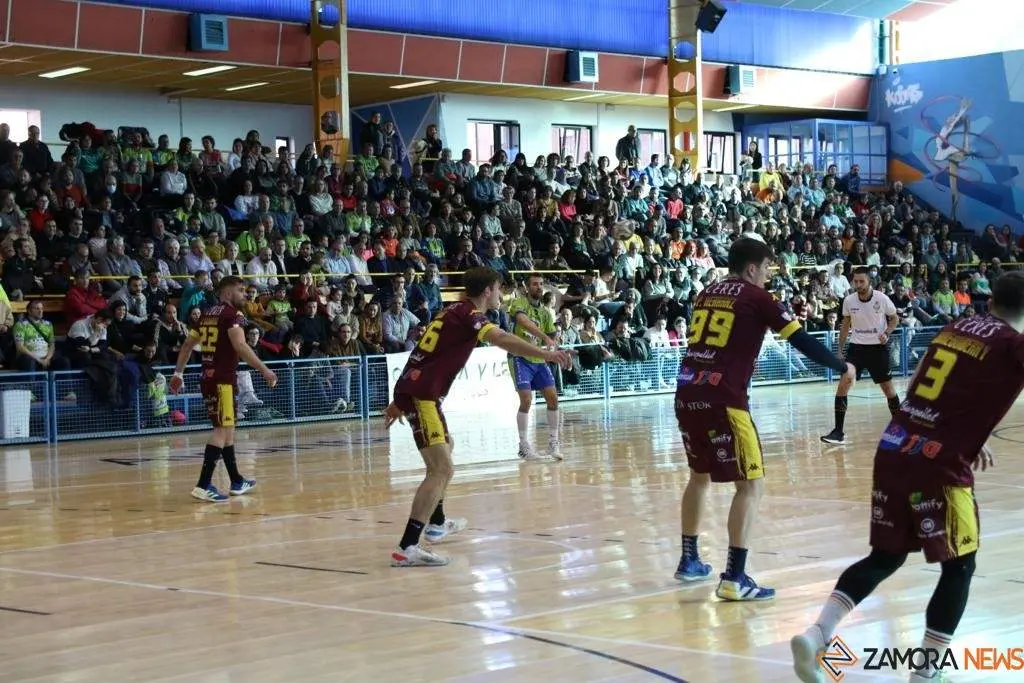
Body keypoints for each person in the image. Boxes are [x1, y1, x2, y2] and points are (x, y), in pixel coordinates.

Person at [791, 271, 1024, 683]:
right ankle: (926, 672)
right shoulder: (1012, 343)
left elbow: (926, 385)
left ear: (992, 300)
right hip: (937, 461)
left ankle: (817, 634)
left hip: (896, 444)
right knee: (960, 567)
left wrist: (969, 431)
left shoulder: (956, 326)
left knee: (886, 556)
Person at [675, 238, 855, 600]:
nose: (769, 276)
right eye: (768, 269)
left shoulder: (707, 292)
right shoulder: (757, 297)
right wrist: (841, 365)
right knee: (750, 485)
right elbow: (800, 339)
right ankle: (735, 577)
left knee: (699, 477)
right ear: (753, 268)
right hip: (724, 398)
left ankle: (689, 560)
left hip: (686, 391)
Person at [383, 267, 572, 567]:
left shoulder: (454, 310)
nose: (500, 295)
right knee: (441, 469)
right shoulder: (470, 315)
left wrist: (399, 399)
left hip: (419, 392)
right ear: (487, 291)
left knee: (447, 449)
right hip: (422, 395)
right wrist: (546, 353)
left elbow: (423, 353)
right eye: (498, 290)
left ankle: (436, 523)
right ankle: (407, 546)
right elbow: (502, 338)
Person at [169, 275, 278, 502]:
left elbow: (188, 344)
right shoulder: (233, 316)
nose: (245, 294)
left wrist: (178, 373)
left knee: (228, 429)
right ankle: (203, 484)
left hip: (209, 378)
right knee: (221, 430)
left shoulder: (206, 314)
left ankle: (236, 480)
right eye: (240, 290)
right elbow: (240, 345)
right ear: (227, 293)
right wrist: (264, 370)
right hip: (221, 381)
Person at [820, 266, 901, 445]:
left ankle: (902, 430)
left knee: (888, 390)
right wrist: (840, 349)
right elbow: (845, 325)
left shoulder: (882, 298)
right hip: (856, 349)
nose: (858, 284)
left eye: (861, 281)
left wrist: (887, 333)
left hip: (878, 350)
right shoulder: (849, 300)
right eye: (855, 281)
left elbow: (894, 318)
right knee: (844, 382)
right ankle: (838, 432)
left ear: (869, 281)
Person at [507, 274, 562, 460]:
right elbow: (523, 321)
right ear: (527, 287)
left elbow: (553, 337)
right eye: (534, 284)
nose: (538, 287)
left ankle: (553, 443)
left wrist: (557, 349)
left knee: (553, 399)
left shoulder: (546, 312)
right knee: (526, 400)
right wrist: (544, 337)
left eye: (540, 284)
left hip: (538, 359)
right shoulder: (519, 303)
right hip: (519, 357)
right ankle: (523, 445)